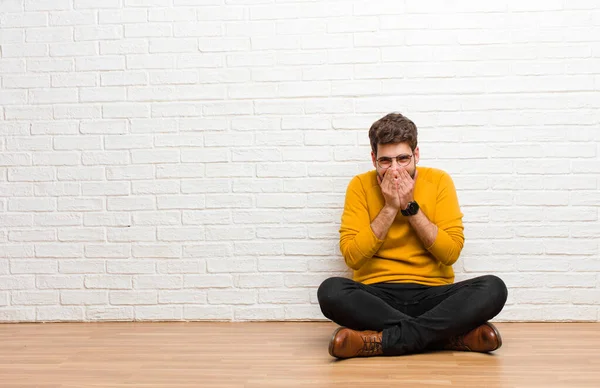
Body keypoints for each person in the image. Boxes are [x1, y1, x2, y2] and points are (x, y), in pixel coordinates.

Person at [317, 112, 508, 359]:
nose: (395, 170)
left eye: (403, 159)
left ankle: (379, 341)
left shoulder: (439, 181)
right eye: (385, 161)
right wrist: (389, 207)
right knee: (330, 291)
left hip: (433, 294)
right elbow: (353, 258)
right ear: (374, 158)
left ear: (416, 155)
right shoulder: (359, 185)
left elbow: (449, 254)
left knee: (493, 288)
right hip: (377, 296)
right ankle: (449, 336)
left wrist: (410, 207)